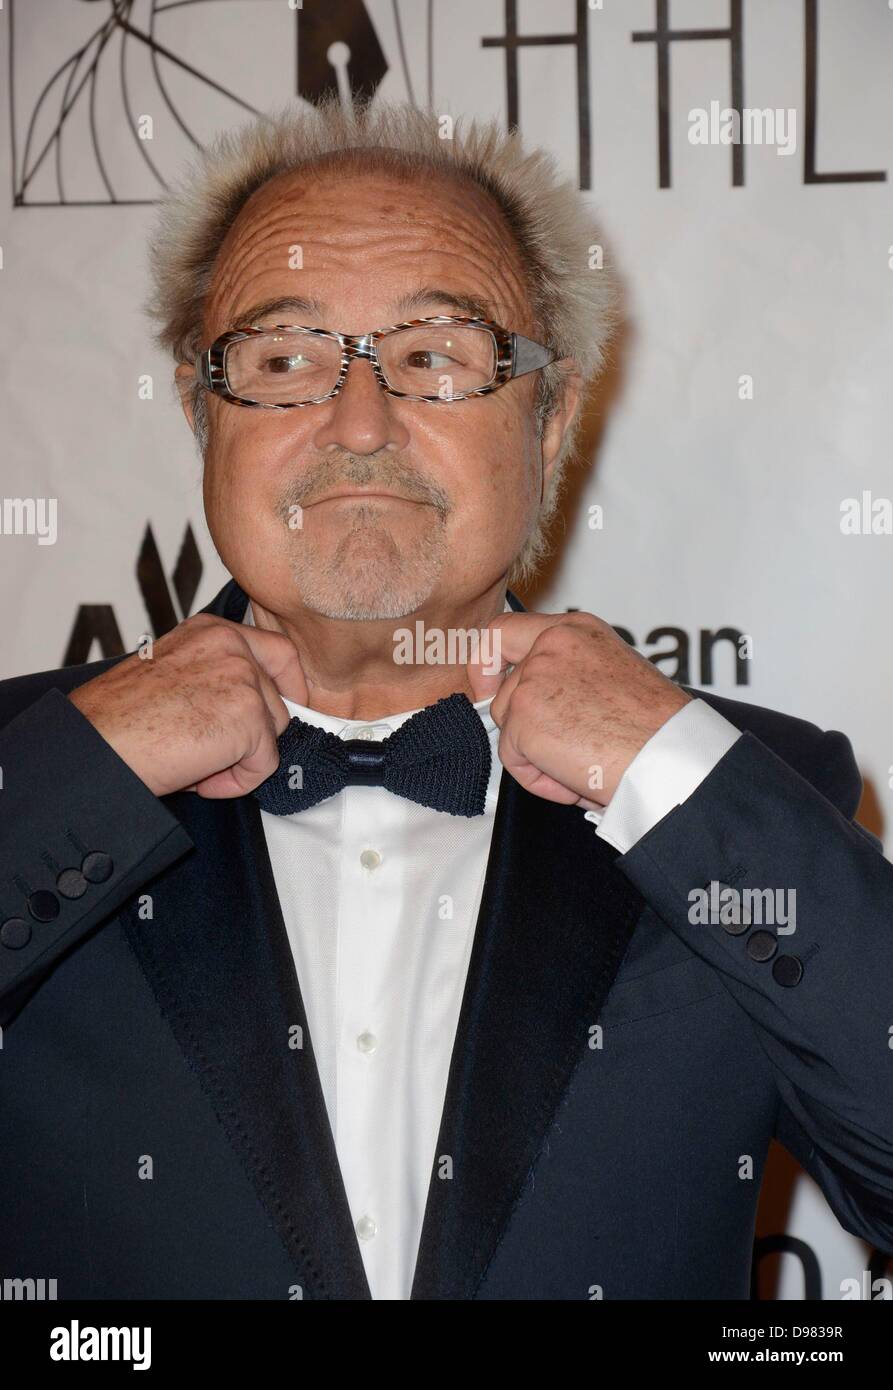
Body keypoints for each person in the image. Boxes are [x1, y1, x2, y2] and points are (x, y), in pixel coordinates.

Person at [1, 95, 891, 1301]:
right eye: (283, 360)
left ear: (553, 416)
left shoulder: (748, 789)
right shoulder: (36, 768)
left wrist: (671, 772)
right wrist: (75, 777)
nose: (357, 422)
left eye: (433, 356)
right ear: (200, 408)